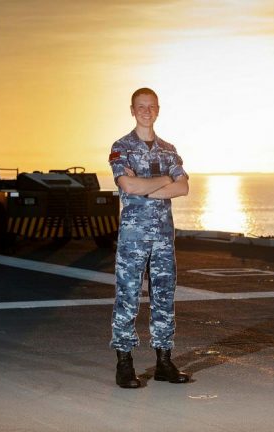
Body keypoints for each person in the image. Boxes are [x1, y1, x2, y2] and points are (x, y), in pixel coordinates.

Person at [108, 87, 190, 388]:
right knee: (128, 298)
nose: (146, 111)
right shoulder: (122, 147)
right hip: (133, 238)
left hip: (163, 238)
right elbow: (127, 186)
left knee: (164, 298)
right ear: (132, 110)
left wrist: (147, 186)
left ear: (158, 110)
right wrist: (164, 180)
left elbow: (182, 188)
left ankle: (164, 362)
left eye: (151, 106)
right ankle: (124, 363)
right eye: (141, 106)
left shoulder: (168, 150)